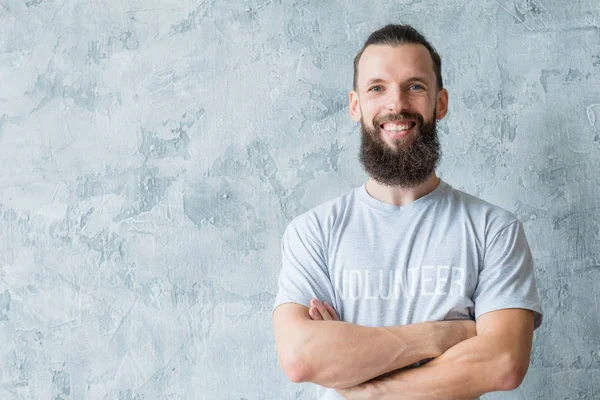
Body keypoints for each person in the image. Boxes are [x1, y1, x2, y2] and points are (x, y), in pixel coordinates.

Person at [272, 24, 543, 400]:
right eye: (377, 88)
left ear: (440, 102)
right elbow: (301, 358)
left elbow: (503, 364)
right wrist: (442, 335)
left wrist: (369, 389)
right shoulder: (313, 232)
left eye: (414, 86)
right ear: (356, 105)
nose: (396, 105)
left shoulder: (493, 230)